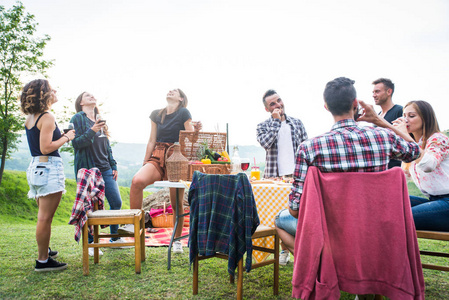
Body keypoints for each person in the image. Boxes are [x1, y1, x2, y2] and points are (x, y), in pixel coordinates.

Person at [288, 77, 420, 240]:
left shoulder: (308, 148)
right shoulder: (384, 137)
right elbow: (415, 151)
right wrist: (381, 122)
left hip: (333, 234)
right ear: (356, 103)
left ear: (326, 107)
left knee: (281, 219)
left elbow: (295, 208)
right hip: (376, 231)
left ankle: (320, 261)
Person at [121, 88, 200, 254]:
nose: (170, 91)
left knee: (176, 202)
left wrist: (196, 129)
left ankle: (177, 242)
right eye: (169, 90)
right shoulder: (156, 114)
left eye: (175, 91)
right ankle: (132, 223)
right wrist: (145, 162)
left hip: (177, 157)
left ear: (180, 98)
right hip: (158, 153)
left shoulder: (184, 112)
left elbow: (190, 137)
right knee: (137, 182)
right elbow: (151, 140)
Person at [20, 79, 75, 272]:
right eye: (52, 89)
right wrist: (66, 137)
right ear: (45, 94)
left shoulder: (31, 117)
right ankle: (42, 261)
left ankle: (45, 250)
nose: (56, 90)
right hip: (48, 167)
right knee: (45, 218)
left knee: (42, 215)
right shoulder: (47, 117)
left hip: (36, 167)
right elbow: (46, 148)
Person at [256, 89, 308, 265]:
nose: (278, 105)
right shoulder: (263, 126)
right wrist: (276, 122)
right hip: (274, 176)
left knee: (294, 212)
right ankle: (284, 250)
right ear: (267, 109)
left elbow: (305, 147)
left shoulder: (297, 123)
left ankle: (293, 248)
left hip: (296, 176)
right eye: (273, 104)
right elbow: (265, 143)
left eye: (279, 100)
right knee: (275, 213)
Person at [71, 92, 123, 256]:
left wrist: (113, 164)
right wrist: (93, 130)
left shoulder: (100, 118)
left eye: (93, 95)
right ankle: (91, 244)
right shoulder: (78, 119)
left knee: (116, 202)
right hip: (88, 170)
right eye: (87, 96)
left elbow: (106, 146)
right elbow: (77, 143)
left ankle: (114, 238)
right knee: (89, 208)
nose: (91, 96)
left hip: (106, 169)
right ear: (81, 102)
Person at [396, 100, 449, 231]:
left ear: (425, 118)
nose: (405, 120)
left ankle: (403, 252)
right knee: (389, 203)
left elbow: (428, 165)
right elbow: (403, 175)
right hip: (434, 200)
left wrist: (405, 135)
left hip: (447, 203)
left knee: (398, 218)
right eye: (404, 116)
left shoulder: (438, 139)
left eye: (411, 116)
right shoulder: (416, 144)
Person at [372, 78, 403, 168]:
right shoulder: (377, 116)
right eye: (373, 92)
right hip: (380, 167)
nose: (374, 95)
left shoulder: (399, 111)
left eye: (377, 92)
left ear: (389, 92)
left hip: (395, 167)